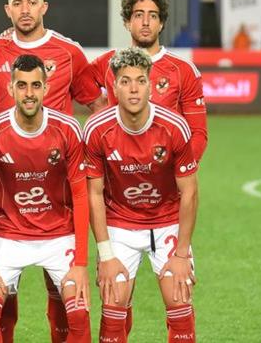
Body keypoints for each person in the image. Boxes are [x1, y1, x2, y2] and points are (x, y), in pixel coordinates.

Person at [0, 0, 105, 343]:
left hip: (57, 192)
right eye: (17, 3)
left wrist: (92, 155)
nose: (25, 9)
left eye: (32, 2)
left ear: (44, 7)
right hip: (7, 193)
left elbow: (96, 103)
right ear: (7, 9)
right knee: (1, 296)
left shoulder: (68, 51)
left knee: (62, 293)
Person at [0, 54, 90, 343]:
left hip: (59, 234)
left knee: (79, 313)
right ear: (10, 88)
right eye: (22, 85)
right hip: (9, 234)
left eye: (36, 85)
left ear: (46, 88)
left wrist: (81, 264)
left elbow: (80, 195)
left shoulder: (67, 129)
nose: (29, 93)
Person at [84, 47, 198, 342]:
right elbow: (94, 194)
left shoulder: (174, 127)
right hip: (120, 225)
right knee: (113, 305)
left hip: (167, 223)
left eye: (140, 80)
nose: (133, 89)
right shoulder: (97, 129)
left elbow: (189, 192)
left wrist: (182, 253)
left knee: (179, 302)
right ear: (114, 87)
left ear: (150, 85)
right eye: (125, 81)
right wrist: (106, 255)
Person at [91, 0, 207, 164]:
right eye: (139, 15)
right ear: (127, 22)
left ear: (161, 24)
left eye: (153, 16)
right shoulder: (108, 63)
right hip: (119, 172)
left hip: (164, 172)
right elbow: (78, 82)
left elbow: (198, 133)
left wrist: (180, 168)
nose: (146, 22)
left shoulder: (183, 70)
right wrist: (98, 105)